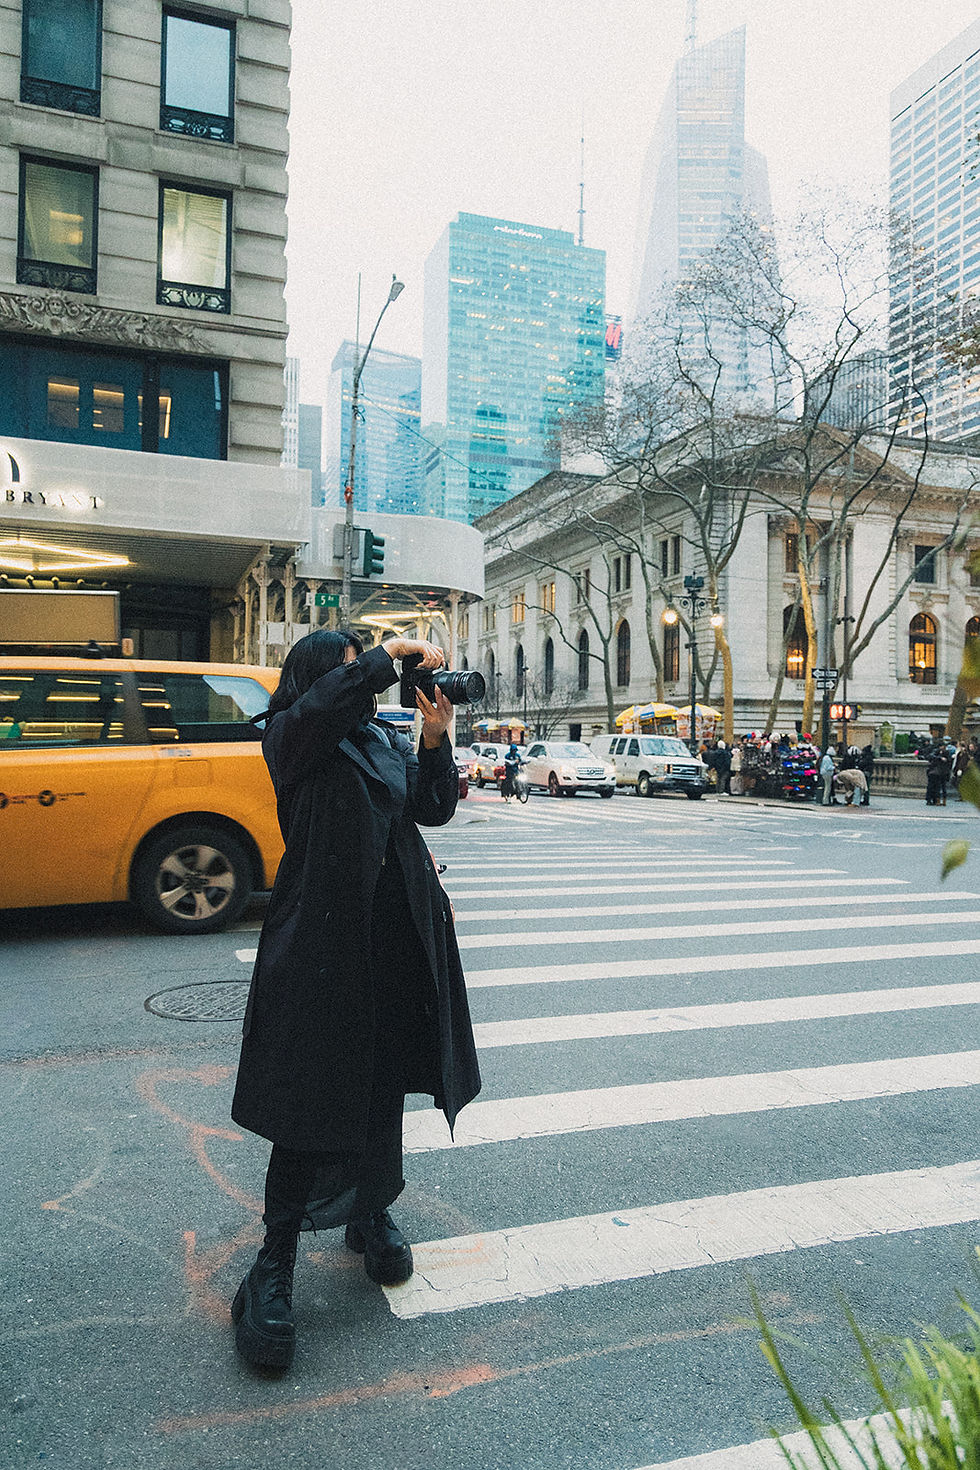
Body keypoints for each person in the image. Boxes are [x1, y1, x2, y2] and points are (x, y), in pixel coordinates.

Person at [230, 629, 481, 1370]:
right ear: (316, 679)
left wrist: (434, 742)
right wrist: (387, 653)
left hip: (393, 938)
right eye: (347, 670)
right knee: (310, 1097)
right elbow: (332, 701)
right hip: (321, 944)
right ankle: (272, 1265)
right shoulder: (292, 734)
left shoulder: (378, 741)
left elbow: (431, 811)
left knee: (378, 1083)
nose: (363, 682)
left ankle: (370, 1213)